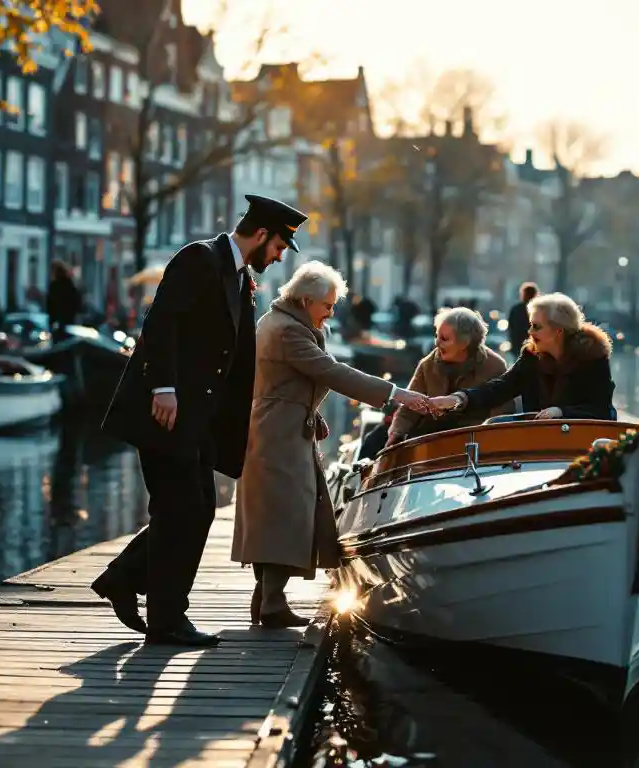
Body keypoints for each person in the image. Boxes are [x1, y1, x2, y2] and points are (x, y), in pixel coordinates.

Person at [92, 194, 306, 647]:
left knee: (196, 509)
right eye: (281, 245)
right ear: (262, 234)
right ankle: (167, 619)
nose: (281, 255)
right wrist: (162, 387)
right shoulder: (199, 258)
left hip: (198, 423)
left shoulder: (239, 277)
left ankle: (124, 577)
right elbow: (162, 322)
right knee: (180, 510)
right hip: (165, 413)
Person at [232, 261, 431, 628]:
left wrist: (311, 411)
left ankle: (265, 600)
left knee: (280, 511)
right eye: (328, 304)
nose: (332, 311)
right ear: (306, 300)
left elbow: (286, 382)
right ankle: (271, 603)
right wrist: (396, 393)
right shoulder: (288, 332)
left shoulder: (282, 324)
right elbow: (332, 372)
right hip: (279, 433)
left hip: (282, 426)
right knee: (285, 513)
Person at [428, 292, 616, 421]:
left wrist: (561, 412)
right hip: (540, 442)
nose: (529, 332)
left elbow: (600, 410)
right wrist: (460, 398)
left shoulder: (593, 356)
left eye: (537, 326)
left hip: (582, 443)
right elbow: (502, 387)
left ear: (558, 331)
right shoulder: (531, 356)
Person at [386, 306, 510, 447]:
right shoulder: (427, 365)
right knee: (374, 440)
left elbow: (500, 418)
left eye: (444, 338)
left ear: (464, 343)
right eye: (436, 336)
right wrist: (397, 433)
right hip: (430, 442)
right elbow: (409, 409)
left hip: (475, 444)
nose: (437, 343)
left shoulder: (495, 366)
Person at [47, 260, 82, 342]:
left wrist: (51, 321)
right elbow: (77, 303)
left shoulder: (54, 286)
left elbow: (50, 306)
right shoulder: (70, 285)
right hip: (70, 321)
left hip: (59, 322)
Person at [507, 281, 538, 357]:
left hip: (518, 346)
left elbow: (511, 327)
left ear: (523, 294)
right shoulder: (538, 310)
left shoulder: (516, 309)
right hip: (534, 347)